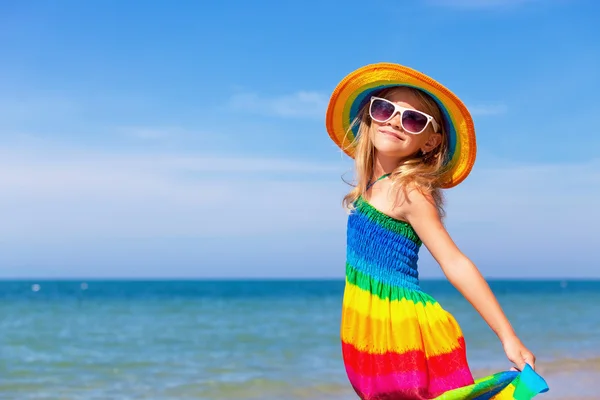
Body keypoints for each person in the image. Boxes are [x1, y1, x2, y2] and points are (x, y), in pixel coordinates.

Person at [325, 63, 549, 400]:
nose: (395, 121)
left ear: (430, 141)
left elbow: (454, 262)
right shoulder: (370, 187)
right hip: (369, 330)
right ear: (369, 118)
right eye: (385, 109)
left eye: (413, 119)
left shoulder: (410, 190)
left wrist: (508, 337)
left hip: (401, 334)